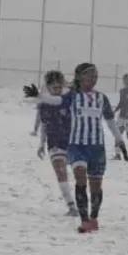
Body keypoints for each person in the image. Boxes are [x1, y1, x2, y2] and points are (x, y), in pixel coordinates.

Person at [24, 63, 128, 233]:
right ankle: (84, 219)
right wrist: (39, 96)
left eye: (95, 75)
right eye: (89, 75)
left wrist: (119, 140)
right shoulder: (72, 96)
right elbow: (56, 100)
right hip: (77, 145)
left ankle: (93, 218)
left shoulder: (102, 98)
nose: (93, 78)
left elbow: (110, 122)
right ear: (79, 77)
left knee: (95, 187)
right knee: (80, 176)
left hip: (97, 148)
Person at [30, 71, 78, 216]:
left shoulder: (69, 99)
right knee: (60, 172)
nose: (57, 89)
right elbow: (44, 125)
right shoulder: (45, 105)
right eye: (54, 87)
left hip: (71, 141)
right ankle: (71, 206)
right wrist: (41, 143)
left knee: (80, 173)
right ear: (48, 87)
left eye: (59, 87)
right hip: (54, 142)